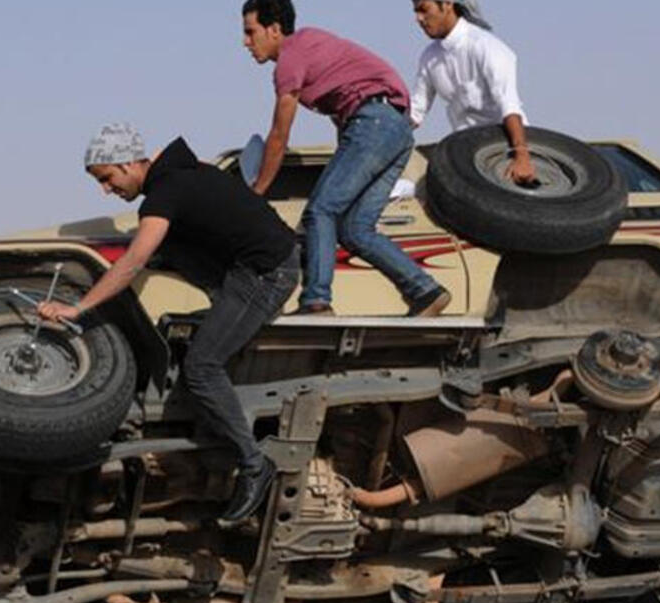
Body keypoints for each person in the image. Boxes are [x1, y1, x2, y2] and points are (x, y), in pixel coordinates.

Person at [38, 123, 299, 527]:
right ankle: (219, 310)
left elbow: (132, 263)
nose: (106, 190)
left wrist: (79, 309)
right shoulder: (185, 174)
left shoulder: (165, 193)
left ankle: (254, 464)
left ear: (128, 163)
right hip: (242, 265)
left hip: (266, 275)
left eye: (107, 179)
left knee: (201, 368)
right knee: (166, 247)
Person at [241, 0, 451, 317]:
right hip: (395, 128)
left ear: (273, 29)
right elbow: (347, 109)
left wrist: (257, 192)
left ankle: (316, 301)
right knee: (355, 230)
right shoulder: (310, 46)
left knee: (321, 210)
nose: (245, 42)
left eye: (250, 32)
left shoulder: (290, 57)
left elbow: (279, 135)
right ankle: (425, 291)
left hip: (374, 124)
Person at [410, 0, 536, 184]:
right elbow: (415, 112)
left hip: (508, 146)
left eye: (423, 10)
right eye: (415, 12)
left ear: (446, 4)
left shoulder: (486, 46)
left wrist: (522, 156)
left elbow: (509, 104)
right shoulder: (429, 57)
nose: (419, 19)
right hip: (467, 152)